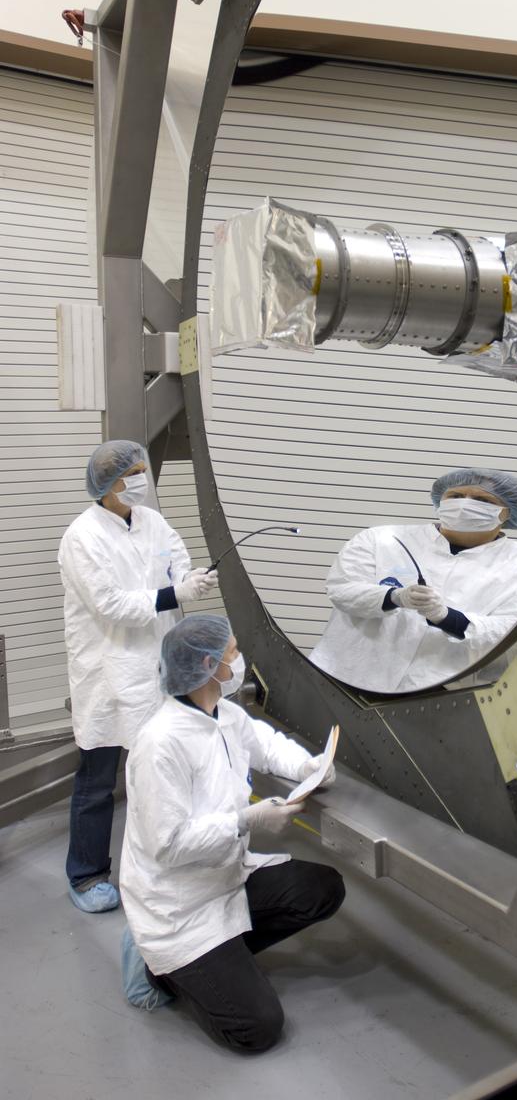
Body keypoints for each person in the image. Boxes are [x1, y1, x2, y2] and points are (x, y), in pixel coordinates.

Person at [119, 613, 345, 1054]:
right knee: (258, 1028)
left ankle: (221, 959)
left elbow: (265, 745)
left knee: (323, 889)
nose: (239, 660)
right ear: (207, 666)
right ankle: (159, 969)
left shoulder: (224, 714)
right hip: (178, 906)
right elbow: (169, 845)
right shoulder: (159, 744)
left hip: (226, 876)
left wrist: (308, 766)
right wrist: (247, 821)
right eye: (233, 654)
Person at [58, 439, 218, 913]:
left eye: (144, 472)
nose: (140, 482)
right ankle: (85, 875)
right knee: (98, 777)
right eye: (132, 474)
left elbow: (177, 560)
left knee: (159, 770)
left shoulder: (152, 521)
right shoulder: (82, 537)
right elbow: (110, 605)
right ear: (106, 484)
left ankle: (164, 864)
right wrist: (172, 594)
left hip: (156, 664)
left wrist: (190, 580)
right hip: (108, 669)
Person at [310, 467, 517, 694]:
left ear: (508, 513)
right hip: (343, 676)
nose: (464, 505)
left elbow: (513, 631)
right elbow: (342, 590)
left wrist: (448, 618)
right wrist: (393, 597)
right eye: (456, 495)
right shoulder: (381, 539)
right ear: (440, 501)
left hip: (438, 695)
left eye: (483, 501)